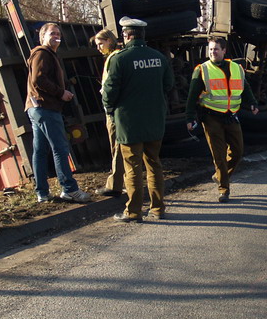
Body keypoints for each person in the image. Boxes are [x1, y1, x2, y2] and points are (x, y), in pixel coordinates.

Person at [101, 16, 174, 223]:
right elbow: (168, 85)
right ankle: (158, 208)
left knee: (132, 167)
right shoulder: (159, 57)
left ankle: (133, 212)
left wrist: (110, 109)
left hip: (128, 123)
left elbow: (110, 91)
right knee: (154, 165)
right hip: (154, 121)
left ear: (126, 35)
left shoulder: (119, 58)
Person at [185, 36, 259, 202]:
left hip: (231, 115)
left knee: (238, 151)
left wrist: (252, 103)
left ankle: (220, 175)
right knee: (218, 154)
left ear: (224, 51)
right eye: (210, 49)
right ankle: (223, 190)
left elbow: (244, 87)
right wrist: (189, 117)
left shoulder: (237, 68)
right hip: (211, 117)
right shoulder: (202, 69)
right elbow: (191, 97)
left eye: (216, 49)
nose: (212, 52)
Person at [25, 22, 92, 203]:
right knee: (60, 149)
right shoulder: (42, 54)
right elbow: (38, 79)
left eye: (58, 33)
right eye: (52, 33)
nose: (56, 36)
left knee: (40, 151)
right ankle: (69, 189)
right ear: (43, 37)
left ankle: (42, 193)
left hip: (36, 108)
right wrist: (61, 92)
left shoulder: (46, 54)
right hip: (46, 108)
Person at [91, 29, 125, 198]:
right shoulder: (115, 57)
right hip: (116, 109)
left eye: (100, 44)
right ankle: (124, 182)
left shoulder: (113, 58)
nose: (99, 48)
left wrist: (109, 107)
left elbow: (110, 87)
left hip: (113, 111)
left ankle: (115, 184)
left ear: (109, 41)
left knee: (117, 147)